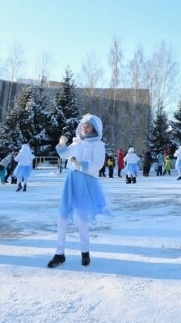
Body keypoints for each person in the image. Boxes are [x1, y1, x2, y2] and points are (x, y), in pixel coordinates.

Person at [47, 114, 109, 268]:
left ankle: (85, 251)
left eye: (88, 126)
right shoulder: (77, 143)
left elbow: (98, 164)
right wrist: (61, 144)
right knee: (62, 216)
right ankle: (59, 253)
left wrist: (81, 164)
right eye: (83, 125)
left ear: (94, 128)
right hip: (72, 180)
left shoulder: (98, 145)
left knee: (82, 219)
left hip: (86, 182)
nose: (84, 127)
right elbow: (64, 155)